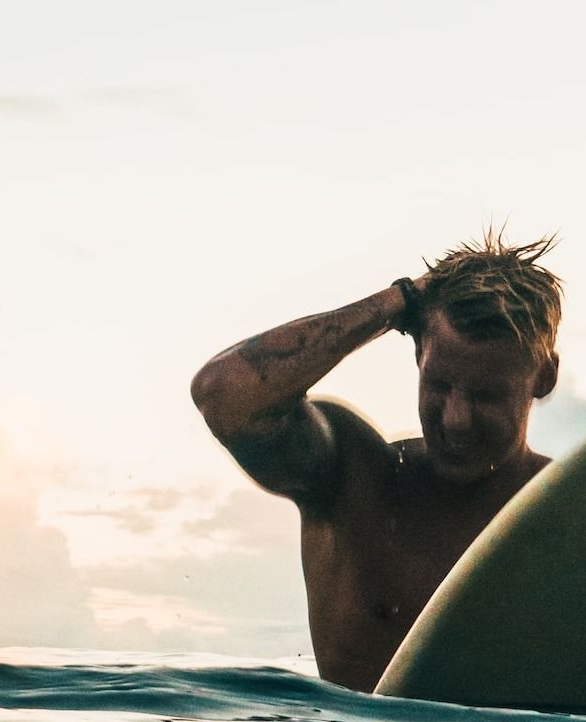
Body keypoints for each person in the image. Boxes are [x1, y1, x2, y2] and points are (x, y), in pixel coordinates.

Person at [190, 232, 563, 691]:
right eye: (439, 386)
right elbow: (226, 393)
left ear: (544, 377)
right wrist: (400, 301)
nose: (456, 419)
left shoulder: (571, 507)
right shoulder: (355, 479)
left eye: (485, 396)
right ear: (418, 354)